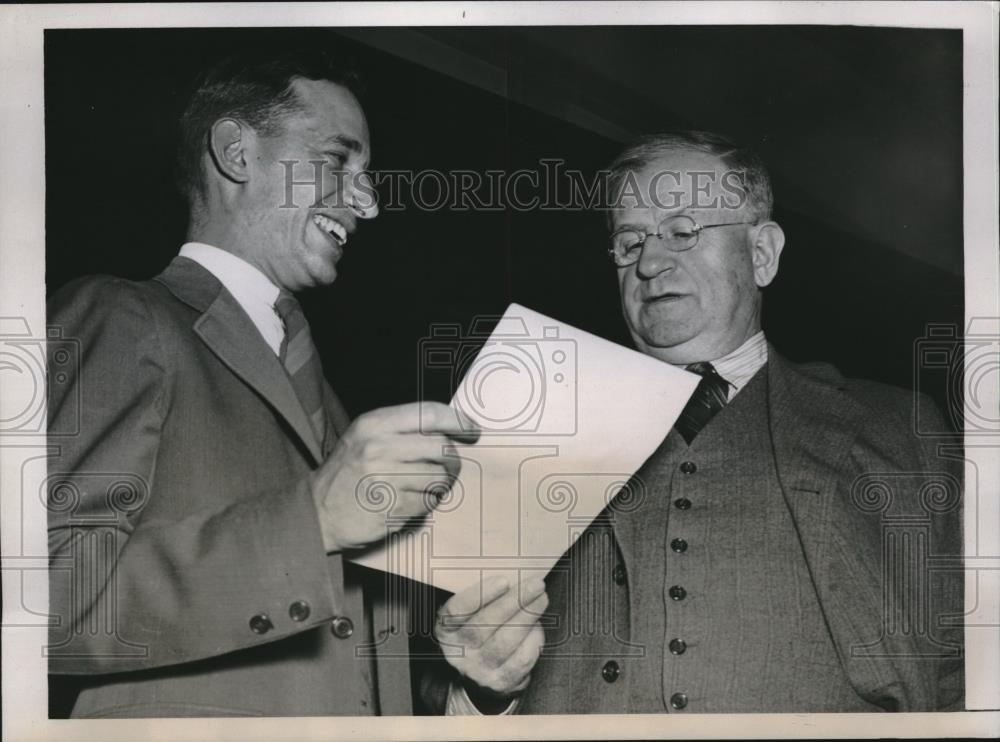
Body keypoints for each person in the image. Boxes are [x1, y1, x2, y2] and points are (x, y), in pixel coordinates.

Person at [46, 48, 540, 718]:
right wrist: (313, 521)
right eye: (337, 160)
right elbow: (42, 598)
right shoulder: (123, 316)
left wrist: (474, 689)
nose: (367, 203)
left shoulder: (334, 407)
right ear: (236, 153)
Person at [504, 131, 964, 713]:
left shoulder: (900, 426)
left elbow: (966, 671)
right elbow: (450, 669)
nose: (648, 262)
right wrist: (483, 693)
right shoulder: (534, 433)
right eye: (629, 241)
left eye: (681, 232)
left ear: (762, 253)